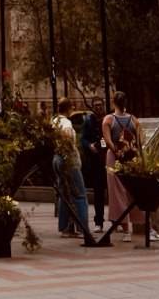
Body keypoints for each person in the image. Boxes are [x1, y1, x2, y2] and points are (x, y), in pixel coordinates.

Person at [102, 91, 143, 237]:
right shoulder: (134, 120)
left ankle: (124, 228)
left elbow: (107, 141)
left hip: (114, 157)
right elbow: (139, 142)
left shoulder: (108, 120)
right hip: (131, 157)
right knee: (132, 191)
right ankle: (138, 223)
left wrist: (117, 151)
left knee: (117, 192)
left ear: (113, 102)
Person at [54, 99, 90, 238]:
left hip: (57, 158)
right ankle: (83, 228)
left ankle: (65, 227)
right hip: (68, 160)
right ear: (68, 109)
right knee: (79, 194)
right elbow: (67, 136)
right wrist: (70, 153)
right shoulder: (66, 123)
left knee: (65, 194)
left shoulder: (54, 121)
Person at [79, 98, 107, 229]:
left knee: (113, 192)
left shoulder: (108, 119)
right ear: (92, 107)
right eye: (96, 106)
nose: (98, 108)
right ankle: (98, 222)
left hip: (108, 158)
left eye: (100, 105)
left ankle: (117, 221)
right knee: (98, 192)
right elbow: (83, 138)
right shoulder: (88, 121)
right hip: (96, 161)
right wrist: (89, 146)